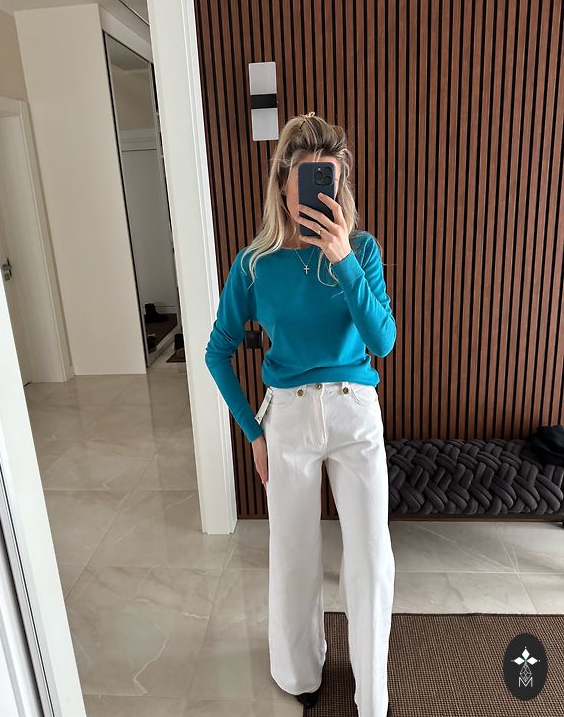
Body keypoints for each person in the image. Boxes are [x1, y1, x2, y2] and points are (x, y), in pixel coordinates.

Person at [205, 113, 396, 717]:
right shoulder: (255, 264)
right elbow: (216, 351)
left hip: (354, 411)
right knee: (293, 555)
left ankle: (373, 694)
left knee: (371, 556)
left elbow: (383, 340)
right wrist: (252, 431)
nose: (318, 191)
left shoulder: (361, 250)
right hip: (286, 418)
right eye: (307, 177)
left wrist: (342, 259)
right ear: (283, 182)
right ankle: (298, 672)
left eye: (329, 179)